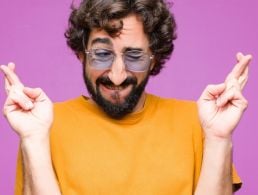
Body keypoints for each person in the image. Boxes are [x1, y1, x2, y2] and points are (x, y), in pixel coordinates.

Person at [0, 0, 252, 194]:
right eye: (101, 54)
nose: (118, 76)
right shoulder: (45, 125)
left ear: (155, 60)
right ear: (81, 54)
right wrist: (33, 139)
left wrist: (219, 137)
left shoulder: (197, 121)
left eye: (134, 56)